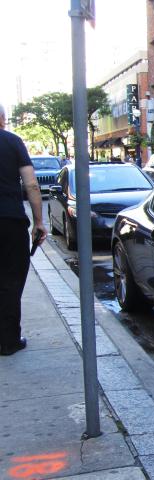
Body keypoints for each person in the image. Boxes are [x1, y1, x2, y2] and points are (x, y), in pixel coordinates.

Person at [0, 103, 47, 356]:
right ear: (3, 119)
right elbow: (31, 185)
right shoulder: (12, 142)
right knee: (10, 280)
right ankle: (8, 340)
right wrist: (39, 222)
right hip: (9, 221)